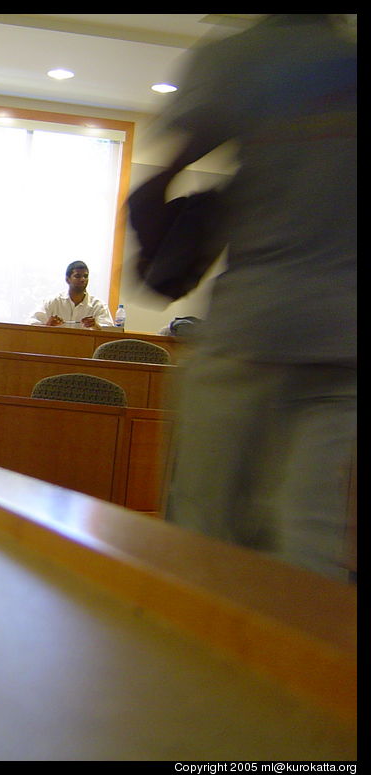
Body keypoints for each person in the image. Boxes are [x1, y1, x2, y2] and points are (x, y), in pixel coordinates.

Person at [157, 14, 356, 580]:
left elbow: (170, 167)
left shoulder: (241, 54)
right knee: (308, 527)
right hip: (345, 342)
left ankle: (197, 660)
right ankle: (298, 659)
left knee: (206, 524)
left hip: (255, 326)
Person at [29, 261, 113, 328]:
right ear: (67, 279)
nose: (83, 279)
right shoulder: (52, 302)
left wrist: (96, 326)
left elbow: (109, 332)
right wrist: (47, 325)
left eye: (85, 276)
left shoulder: (98, 305)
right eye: (77, 276)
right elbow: (31, 324)